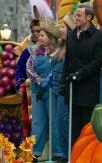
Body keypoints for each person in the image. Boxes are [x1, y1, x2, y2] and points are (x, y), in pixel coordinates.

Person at [61, 5, 102, 146]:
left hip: (88, 89)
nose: (76, 18)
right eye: (76, 15)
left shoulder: (100, 37)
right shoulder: (71, 35)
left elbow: (97, 62)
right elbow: (67, 60)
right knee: (73, 127)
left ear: (89, 17)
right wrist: (63, 82)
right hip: (72, 89)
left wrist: (79, 74)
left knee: (87, 127)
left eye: (79, 15)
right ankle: (74, 157)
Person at [37, 13, 75, 162]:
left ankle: (70, 152)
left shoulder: (72, 49)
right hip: (57, 90)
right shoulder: (61, 48)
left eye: (64, 27)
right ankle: (65, 153)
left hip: (66, 91)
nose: (61, 29)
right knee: (59, 122)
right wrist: (44, 86)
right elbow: (54, 72)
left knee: (65, 122)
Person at [26, 17, 62, 162]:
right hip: (38, 92)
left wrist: (46, 83)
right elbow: (29, 68)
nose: (38, 37)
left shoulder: (58, 52)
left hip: (52, 91)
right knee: (38, 122)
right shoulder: (35, 52)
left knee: (55, 122)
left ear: (50, 37)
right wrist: (39, 82)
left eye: (42, 35)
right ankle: (35, 153)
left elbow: (57, 70)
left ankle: (58, 152)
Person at [15, 17, 41, 137]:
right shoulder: (26, 52)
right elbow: (20, 70)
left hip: (48, 89)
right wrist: (19, 84)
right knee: (31, 120)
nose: (36, 34)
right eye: (33, 31)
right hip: (31, 90)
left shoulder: (50, 49)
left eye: (38, 31)